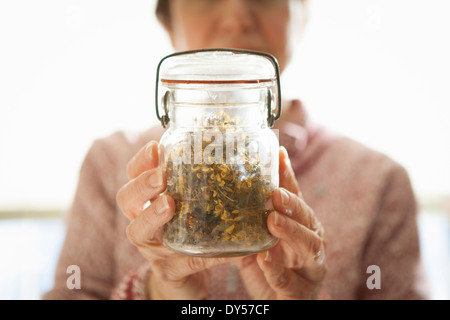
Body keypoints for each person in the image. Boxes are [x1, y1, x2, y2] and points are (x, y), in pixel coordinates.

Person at [43, 0, 429, 300]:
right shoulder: (108, 163)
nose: (237, 17)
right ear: (167, 20)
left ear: (303, 11)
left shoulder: (379, 181)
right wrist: (159, 292)